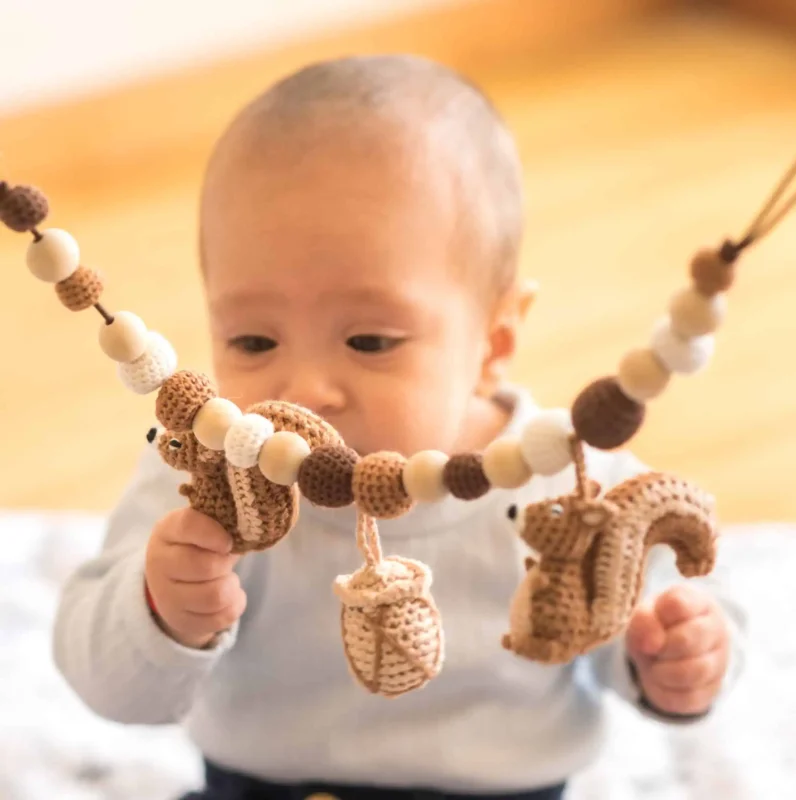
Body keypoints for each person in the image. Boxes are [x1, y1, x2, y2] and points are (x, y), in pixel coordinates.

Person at [53, 55, 746, 800]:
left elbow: (656, 625)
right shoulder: (206, 481)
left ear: (494, 343)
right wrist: (162, 610)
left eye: (369, 342)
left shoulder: (570, 485)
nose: (306, 391)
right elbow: (105, 681)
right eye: (253, 341)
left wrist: (678, 658)